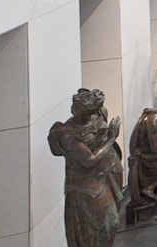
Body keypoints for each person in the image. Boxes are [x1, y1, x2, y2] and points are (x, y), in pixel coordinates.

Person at [46, 88, 124, 247]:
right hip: (85, 186)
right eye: (75, 102)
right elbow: (88, 160)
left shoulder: (98, 115)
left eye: (78, 103)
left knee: (111, 223)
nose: (73, 105)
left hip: (105, 174)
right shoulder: (66, 134)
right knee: (98, 228)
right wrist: (111, 139)